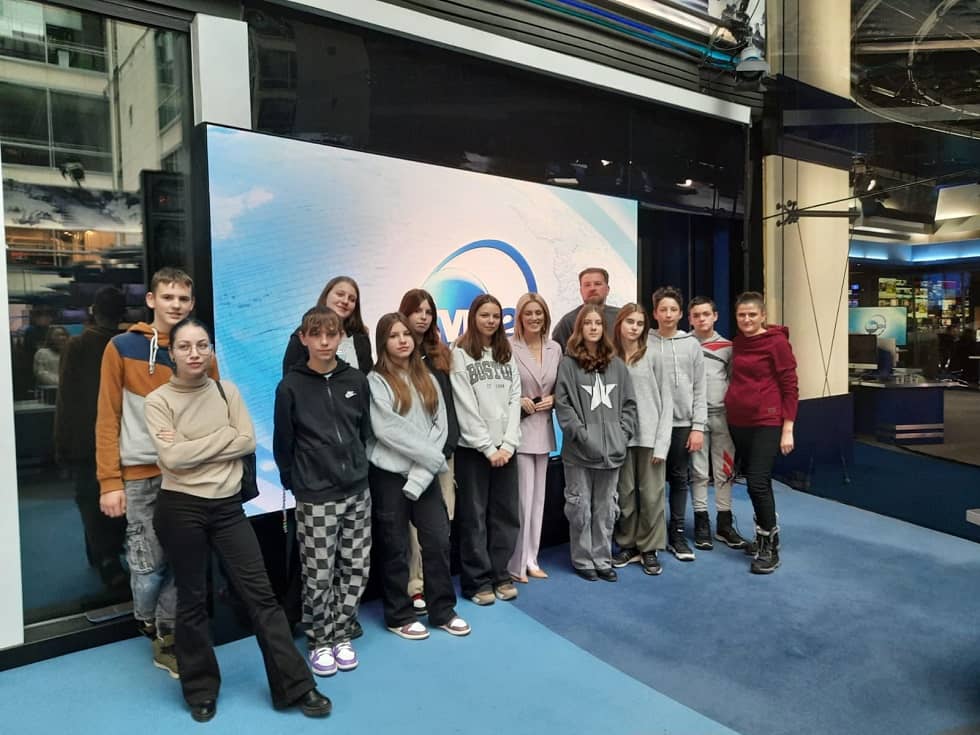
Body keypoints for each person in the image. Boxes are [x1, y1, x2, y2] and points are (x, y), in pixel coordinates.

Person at [146, 317, 331, 722]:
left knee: (261, 597)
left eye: (202, 345)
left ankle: (296, 685)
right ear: (172, 353)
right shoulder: (158, 401)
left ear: (211, 350)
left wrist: (194, 446)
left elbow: (246, 441)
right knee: (193, 600)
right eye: (185, 347)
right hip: (180, 508)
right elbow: (172, 459)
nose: (195, 353)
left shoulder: (227, 391)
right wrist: (221, 440)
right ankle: (200, 690)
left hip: (228, 507)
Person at [96, 266, 209, 677]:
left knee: (184, 559)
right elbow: (107, 417)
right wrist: (110, 482)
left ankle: (168, 636)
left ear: (191, 304)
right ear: (151, 300)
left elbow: (213, 414)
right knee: (148, 564)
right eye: (167, 297)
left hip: (187, 476)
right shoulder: (121, 347)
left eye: (182, 298)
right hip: (141, 474)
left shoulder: (199, 350)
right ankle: (147, 619)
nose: (175, 304)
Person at [274, 306, 372, 676]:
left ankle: (342, 633)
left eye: (331, 334)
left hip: (357, 490)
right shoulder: (290, 386)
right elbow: (284, 442)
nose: (325, 342)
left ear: (341, 336)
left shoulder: (355, 380)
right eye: (316, 334)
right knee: (318, 573)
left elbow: (364, 430)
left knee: (356, 566)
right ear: (303, 339)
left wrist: (357, 468)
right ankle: (320, 640)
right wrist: (297, 481)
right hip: (315, 493)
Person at [367, 313, 470, 640]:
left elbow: (441, 426)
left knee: (438, 541)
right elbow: (387, 430)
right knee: (395, 546)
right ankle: (399, 615)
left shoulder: (428, 377)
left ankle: (443, 610)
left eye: (406, 334)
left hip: (423, 478)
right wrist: (430, 459)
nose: (402, 340)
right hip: (390, 476)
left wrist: (422, 473)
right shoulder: (375, 381)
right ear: (383, 342)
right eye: (393, 335)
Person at [450, 294, 522, 605]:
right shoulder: (460, 354)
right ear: (473, 317)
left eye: (495, 316)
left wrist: (508, 444)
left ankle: (500, 574)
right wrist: (487, 447)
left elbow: (515, 399)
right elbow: (464, 405)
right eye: (484, 315)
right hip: (473, 451)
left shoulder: (506, 353)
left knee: (506, 515)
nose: (491, 321)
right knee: (474, 517)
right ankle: (477, 581)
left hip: (506, 450)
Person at [556, 304, 636, 581]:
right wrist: (583, 436)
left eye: (598, 323)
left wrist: (621, 437)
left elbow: (629, 406)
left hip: (612, 453)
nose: (593, 327)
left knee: (606, 509)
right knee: (579, 508)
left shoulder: (618, 366)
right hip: (579, 453)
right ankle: (582, 559)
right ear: (579, 328)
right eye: (588, 323)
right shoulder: (568, 365)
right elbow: (563, 406)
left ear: (604, 328)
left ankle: (603, 558)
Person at [55, 287, 127, 589]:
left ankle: (104, 558)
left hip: (85, 438)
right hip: (123, 438)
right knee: (118, 500)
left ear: (93, 311)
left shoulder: (77, 345)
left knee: (90, 498)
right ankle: (108, 556)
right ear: (123, 313)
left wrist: (62, 445)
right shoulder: (129, 343)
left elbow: (66, 398)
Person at [725, 292, 798, 574]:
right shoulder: (738, 342)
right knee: (756, 482)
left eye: (752, 314)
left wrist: (788, 428)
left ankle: (770, 547)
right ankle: (763, 536)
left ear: (763, 316)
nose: (746, 319)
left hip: (767, 422)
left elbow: (790, 385)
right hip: (738, 422)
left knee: (757, 482)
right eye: (742, 315)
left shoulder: (777, 343)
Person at [397, 289, 458, 617]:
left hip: (444, 452)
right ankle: (416, 584)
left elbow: (449, 402)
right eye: (417, 311)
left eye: (428, 311)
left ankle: (438, 585)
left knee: (442, 521)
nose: (423, 317)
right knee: (414, 527)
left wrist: (449, 443)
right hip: (413, 456)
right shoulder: (397, 355)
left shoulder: (440, 354)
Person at [610, 304, 672, 576]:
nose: (634, 327)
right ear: (619, 324)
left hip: (650, 438)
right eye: (630, 322)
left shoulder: (654, 356)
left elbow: (667, 401)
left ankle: (649, 548)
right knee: (625, 495)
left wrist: (662, 444)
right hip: (621, 438)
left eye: (639, 323)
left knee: (651, 496)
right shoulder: (610, 357)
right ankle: (627, 544)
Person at [687, 297, 752, 550]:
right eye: (696, 315)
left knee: (724, 470)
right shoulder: (684, 344)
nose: (701, 319)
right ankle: (701, 523)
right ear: (690, 319)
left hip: (723, 417)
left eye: (706, 314)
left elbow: (735, 382)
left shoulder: (728, 347)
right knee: (699, 472)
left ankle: (724, 524)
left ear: (715, 316)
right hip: (695, 419)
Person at [647, 286, 706, 562]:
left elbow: (700, 388)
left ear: (681, 314)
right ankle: (653, 535)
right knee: (653, 481)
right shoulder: (645, 342)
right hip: (652, 423)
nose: (668, 314)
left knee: (680, 478)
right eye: (663, 309)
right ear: (655, 313)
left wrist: (698, 426)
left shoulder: (691, 345)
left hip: (682, 423)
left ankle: (677, 533)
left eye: (673, 309)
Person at [507, 293, 561, 582]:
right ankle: (515, 563)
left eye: (538, 313)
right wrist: (517, 401)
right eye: (528, 313)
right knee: (522, 502)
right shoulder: (508, 346)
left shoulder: (555, 348)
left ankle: (532, 559)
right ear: (519, 317)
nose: (534, 318)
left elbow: (561, 386)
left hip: (544, 429)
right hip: (519, 431)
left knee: (538, 501)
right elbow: (501, 386)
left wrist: (555, 398)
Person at [282, 276, 372, 374]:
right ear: (326, 296)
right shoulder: (304, 335)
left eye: (352, 299)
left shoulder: (361, 337)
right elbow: (291, 378)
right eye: (340, 294)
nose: (345, 301)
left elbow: (367, 376)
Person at [550, 267, 621, 352]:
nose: (592, 288)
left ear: (607, 289)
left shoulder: (621, 317)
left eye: (597, 284)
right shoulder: (567, 322)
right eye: (587, 285)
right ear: (581, 291)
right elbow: (557, 353)